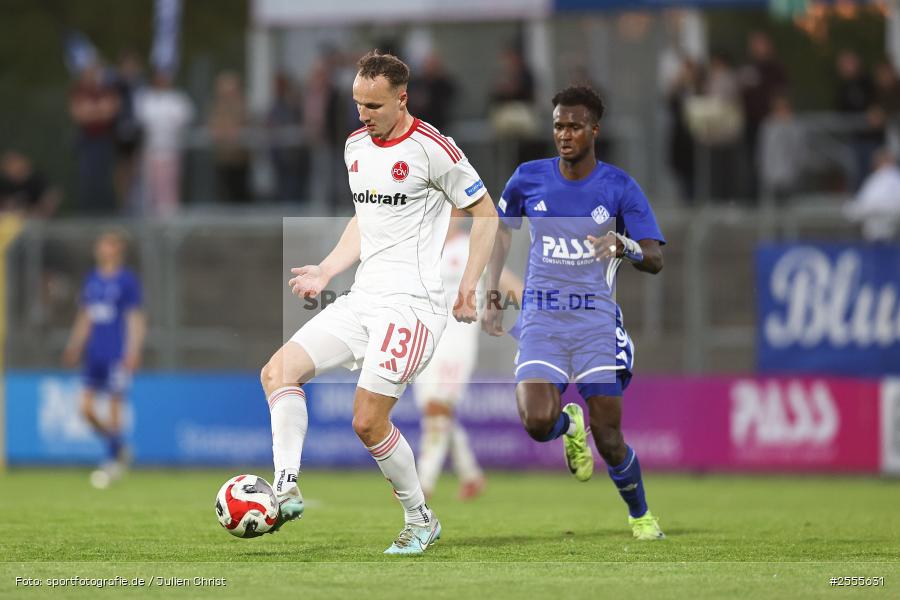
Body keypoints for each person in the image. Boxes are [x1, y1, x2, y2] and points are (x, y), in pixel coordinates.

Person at [259, 51, 498, 555]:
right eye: (356, 103)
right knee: (277, 372)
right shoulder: (354, 146)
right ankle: (285, 485)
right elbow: (365, 220)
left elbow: (485, 213)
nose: (362, 115)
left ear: (401, 98)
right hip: (363, 297)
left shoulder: (435, 149)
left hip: (414, 305)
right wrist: (327, 269)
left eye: (373, 105)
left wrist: (468, 285)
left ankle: (420, 519)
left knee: (368, 420)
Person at [482, 85, 666, 541]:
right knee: (536, 420)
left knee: (609, 438)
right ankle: (569, 425)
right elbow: (500, 235)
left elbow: (655, 258)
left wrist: (623, 246)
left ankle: (640, 515)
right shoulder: (527, 178)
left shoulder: (619, 187)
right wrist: (491, 292)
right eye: (558, 126)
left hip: (594, 325)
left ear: (594, 130)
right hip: (543, 320)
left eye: (574, 126)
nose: (564, 134)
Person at [413, 210, 522, 501]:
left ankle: (423, 483)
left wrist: (537, 309)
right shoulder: (423, 248)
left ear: (459, 215)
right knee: (435, 411)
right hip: (424, 341)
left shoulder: (471, 246)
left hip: (457, 341)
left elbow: (508, 282)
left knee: (438, 407)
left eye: (450, 211)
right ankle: (471, 475)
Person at [63, 230, 146, 487]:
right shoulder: (92, 280)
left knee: (113, 408)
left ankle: (111, 461)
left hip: (116, 353)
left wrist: (133, 350)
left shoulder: (127, 280)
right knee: (85, 409)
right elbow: (85, 316)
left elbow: (136, 317)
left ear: (118, 249)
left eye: (110, 245)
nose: (104, 249)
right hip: (94, 354)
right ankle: (119, 446)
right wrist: (75, 345)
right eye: (102, 244)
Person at [135, 70, 194, 218]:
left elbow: (184, 118)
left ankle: (169, 218)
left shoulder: (177, 98)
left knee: (169, 186)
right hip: (151, 150)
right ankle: (150, 217)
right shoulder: (146, 98)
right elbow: (143, 120)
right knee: (150, 188)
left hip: (170, 149)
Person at [844, 147, 900, 242]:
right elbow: (857, 207)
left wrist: (871, 209)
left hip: (892, 236)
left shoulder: (895, 178)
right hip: (872, 236)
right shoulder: (874, 179)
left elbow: (895, 206)